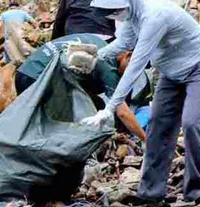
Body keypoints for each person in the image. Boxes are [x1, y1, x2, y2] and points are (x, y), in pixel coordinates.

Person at [80, 0, 200, 206]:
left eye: (117, 8)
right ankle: (150, 194)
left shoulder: (154, 15)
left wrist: (110, 108)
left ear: (130, 0)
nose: (114, 13)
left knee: (192, 123)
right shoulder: (130, 13)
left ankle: (199, 191)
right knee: (158, 126)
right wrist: (96, 55)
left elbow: (136, 64)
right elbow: (124, 43)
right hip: (171, 72)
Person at [14, 33, 147, 142]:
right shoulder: (107, 64)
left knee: (96, 104)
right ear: (127, 55)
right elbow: (122, 112)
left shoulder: (97, 42)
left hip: (25, 71)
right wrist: (145, 139)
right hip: (37, 80)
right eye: (133, 68)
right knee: (59, 128)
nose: (131, 74)